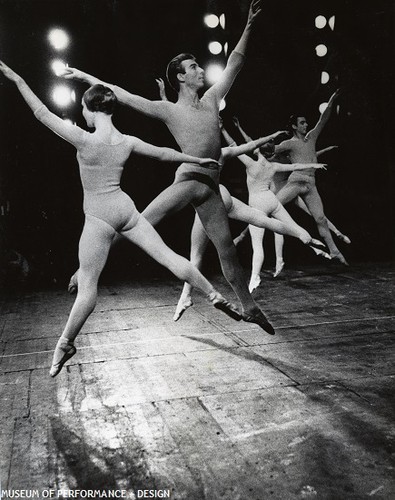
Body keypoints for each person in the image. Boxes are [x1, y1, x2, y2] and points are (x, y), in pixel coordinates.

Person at [0, 60, 244, 377]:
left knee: (88, 287)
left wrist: (16, 76)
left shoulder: (83, 138)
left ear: (90, 109)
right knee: (170, 257)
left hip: (99, 217)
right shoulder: (126, 140)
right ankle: (213, 293)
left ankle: (65, 343)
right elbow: (163, 153)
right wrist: (195, 158)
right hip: (125, 208)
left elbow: (40, 113)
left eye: (85, 110)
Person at [61, 0, 276, 335]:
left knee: (227, 250)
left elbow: (235, 63)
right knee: (141, 221)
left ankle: (249, 308)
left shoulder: (211, 101)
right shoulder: (168, 109)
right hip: (190, 180)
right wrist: (86, 76)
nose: (201, 70)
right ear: (181, 76)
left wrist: (248, 26)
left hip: (210, 189)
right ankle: (82, 270)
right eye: (194, 67)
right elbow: (123, 95)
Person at [172, 126, 329, 318]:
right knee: (262, 223)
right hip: (231, 196)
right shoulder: (236, 156)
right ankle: (300, 240)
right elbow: (249, 145)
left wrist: (226, 130)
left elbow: (243, 145)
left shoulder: (196, 158)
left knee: (198, 255)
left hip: (211, 201)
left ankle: (189, 295)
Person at [232, 117, 350, 277]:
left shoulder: (281, 159)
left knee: (312, 216)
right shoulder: (270, 160)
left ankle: (336, 233)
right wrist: (239, 128)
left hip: (287, 191)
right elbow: (252, 143)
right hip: (278, 194)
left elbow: (305, 159)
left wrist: (323, 152)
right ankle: (281, 257)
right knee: (275, 224)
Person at [271, 90, 349, 268]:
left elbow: (324, 119)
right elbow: (270, 150)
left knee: (320, 219)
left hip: (311, 185)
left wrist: (332, 99)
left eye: (306, 122)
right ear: (294, 126)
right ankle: (249, 232)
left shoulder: (312, 137)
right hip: (296, 182)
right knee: (271, 206)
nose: (306, 125)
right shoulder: (288, 144)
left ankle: (334, 251)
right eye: (302, 123)